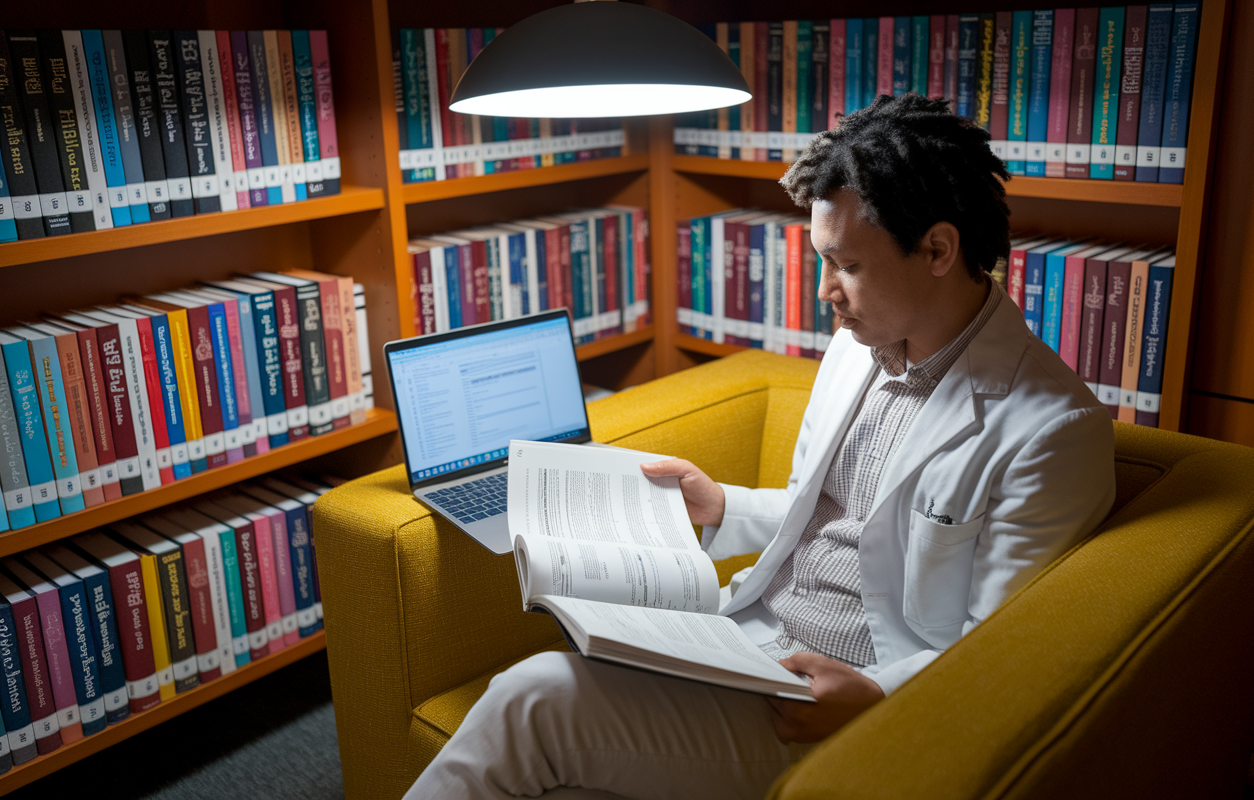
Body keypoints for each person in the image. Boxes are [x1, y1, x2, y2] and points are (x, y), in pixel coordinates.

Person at [405, 94, 1116, 800]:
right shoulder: (858, 346)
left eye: (847, 266)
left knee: (534, 697)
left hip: (827, 701)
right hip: (744, 637)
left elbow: (1006, 646)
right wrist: (721, 507)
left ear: (937, 249)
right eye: (820, 260)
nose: (823, 291)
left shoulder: (1051, 433)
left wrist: (873, 695)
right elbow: (850, 522)